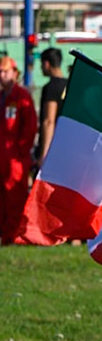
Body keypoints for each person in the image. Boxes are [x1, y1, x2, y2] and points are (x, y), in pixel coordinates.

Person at [0, 55, 36, 245]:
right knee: (3, 199)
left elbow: (30, 127)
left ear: (14, 73)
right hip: (3, 155)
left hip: (14, 157)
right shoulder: (3, 97)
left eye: (4, 71)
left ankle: (15, 235)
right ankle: (6, 234)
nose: (1, 75)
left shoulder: (21, 97)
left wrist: (21, 153)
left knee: (15, 197)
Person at [33, 47, 66, 175]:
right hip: (66, 148)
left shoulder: (51, 87)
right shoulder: (69, 84)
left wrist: (44, 154)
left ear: (46, 64)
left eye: (41, 64)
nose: (41, 68)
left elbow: (49, 121)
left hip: (53, 150)